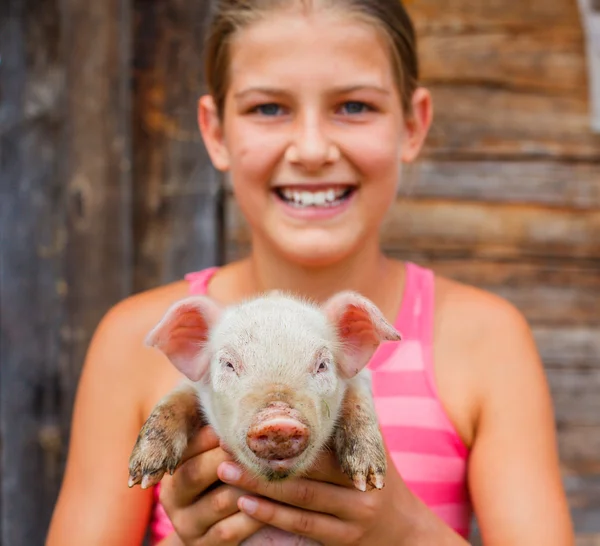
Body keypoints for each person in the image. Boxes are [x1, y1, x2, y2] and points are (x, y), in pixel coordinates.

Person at [46, 1, 575, 544]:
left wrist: (402, 529)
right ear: (215, 131)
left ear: (413, 124)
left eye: (354, 105)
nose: (313, 149)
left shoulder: (487, 341)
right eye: (269, 109)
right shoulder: (132, 342)